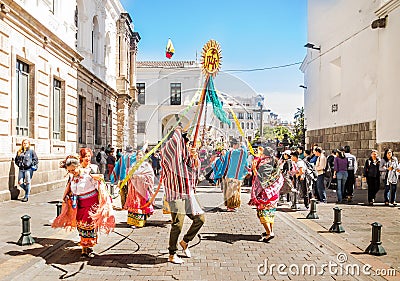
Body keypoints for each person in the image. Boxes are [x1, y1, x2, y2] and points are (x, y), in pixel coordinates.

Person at [52, 155, 115, 257]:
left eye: (73, 169)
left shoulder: (88, 175)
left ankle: (86, 247)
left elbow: (99, 187)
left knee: (88, 225)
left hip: (91, 204)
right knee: (81, 224)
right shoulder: (72, 178)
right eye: (69, 171)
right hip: (79, 204)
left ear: (78, 166)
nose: (72, 172)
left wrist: (104, 197)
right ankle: (84, 244)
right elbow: (72, 189)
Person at [161, 126, 205, 264]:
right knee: (178, 224)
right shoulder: (169, 152)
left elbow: (194, 169)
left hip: (188, 193)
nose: (186, 144)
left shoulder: (186, 154)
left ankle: (185, 241)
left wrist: (194, 156)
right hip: (175, 193)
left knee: (200, 219)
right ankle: (172, 253)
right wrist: (179, 130)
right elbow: (174, 142)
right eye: (184, 142)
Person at [249, 146, 283, 242]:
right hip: (274, 192)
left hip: (265, 193)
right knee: (270, 212)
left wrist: (255, 169)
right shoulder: (275, 161)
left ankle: (269, 232)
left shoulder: (264, 163)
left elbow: (262, 178)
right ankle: (270, 230)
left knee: (262, 213)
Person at [124, 150, 155, 227]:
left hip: (142, 188)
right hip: (133, 188)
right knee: (134, 204)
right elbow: (128, 174)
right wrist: (131, 176)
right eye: (138, 155)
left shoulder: (146, 165)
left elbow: (150, 176)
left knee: (141, 203)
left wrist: (139, 177)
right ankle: (133, 221)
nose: (139, 156)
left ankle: (141, 220)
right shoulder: (133, 165)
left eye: (141, 155)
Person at [221, 138, 249, 212]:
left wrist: (223, 173)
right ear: (237, 144)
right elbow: (245, 152)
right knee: (234, 192)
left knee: (229, 191)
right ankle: (231, 206)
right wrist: (243, 144)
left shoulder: (229, 152)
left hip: (229, 174)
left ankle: (229, 205)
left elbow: (225, 164)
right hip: (236, 175)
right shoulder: (240, 152)